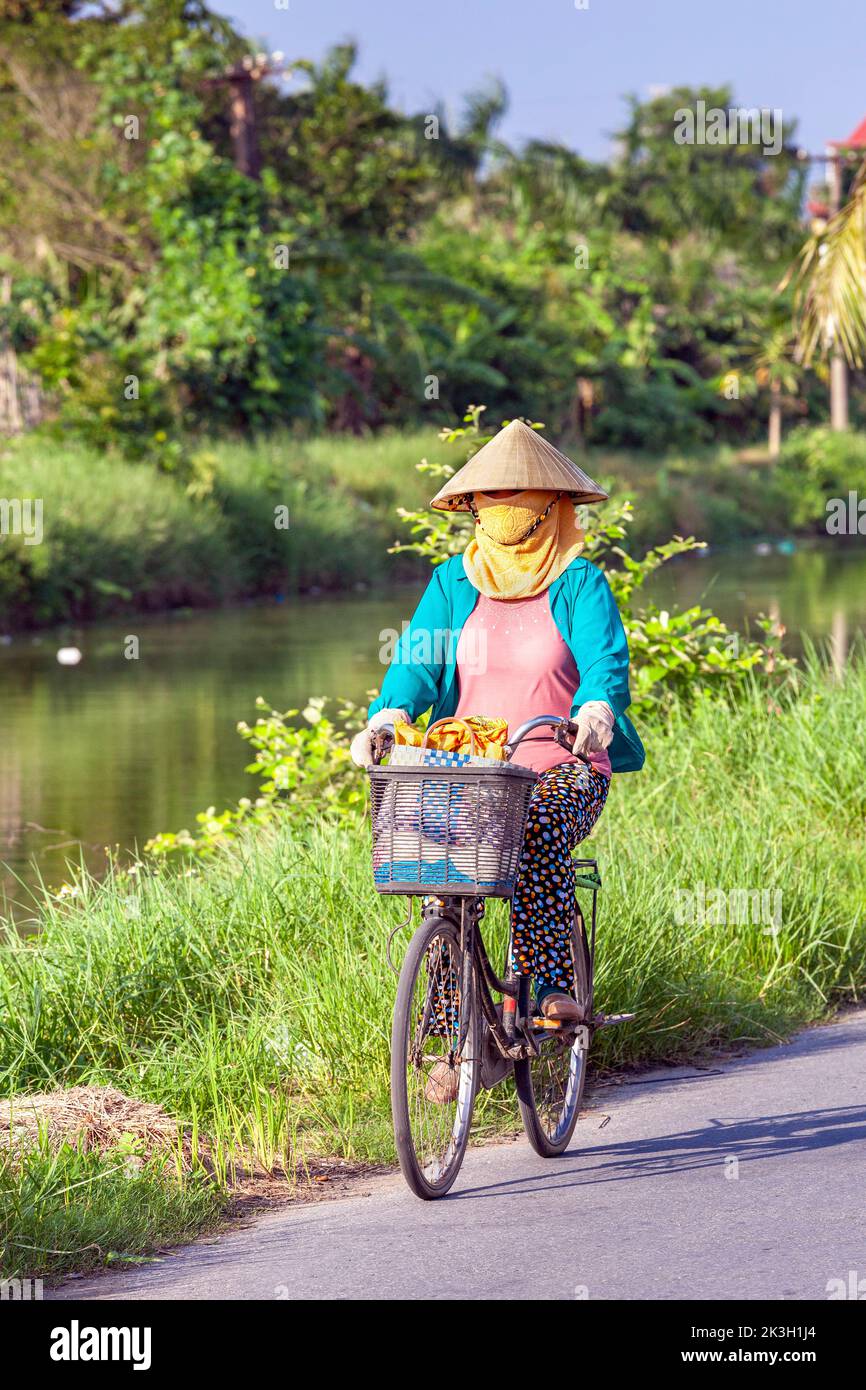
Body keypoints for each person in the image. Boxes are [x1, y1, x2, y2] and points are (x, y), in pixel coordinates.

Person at [351, 419, 644, 1098]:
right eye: (493, 497)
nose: (504, 511)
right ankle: (455, 1036)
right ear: (473, 507)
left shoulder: (579, 583)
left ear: (554, 505)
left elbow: (607, 663)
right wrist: (390, 716)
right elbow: (418, 663)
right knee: (439, 869)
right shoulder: (454, 584)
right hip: (473, 770)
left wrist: (595, 715)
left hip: (560, 766)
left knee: (538, 831)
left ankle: (546, 987)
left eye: (520, 496)